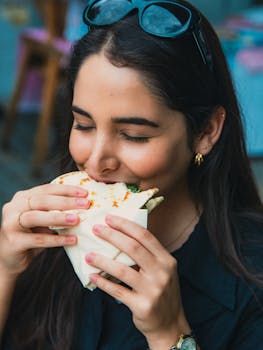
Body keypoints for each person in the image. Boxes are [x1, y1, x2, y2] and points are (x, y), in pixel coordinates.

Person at [0, 0, 263, 349]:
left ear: (206, 132)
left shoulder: (252, 281)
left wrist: (170, 334)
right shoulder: (42, 235)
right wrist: (5, 267)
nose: (95, 161)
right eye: (84, 125)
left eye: (133, 135)